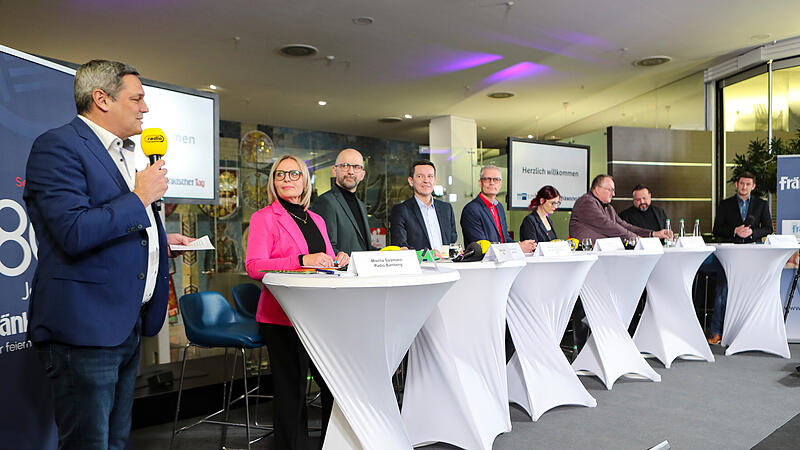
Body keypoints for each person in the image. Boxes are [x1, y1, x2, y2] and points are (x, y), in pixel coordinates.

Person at [23, 59, 194, 450]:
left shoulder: (127, 152)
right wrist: (139, 197)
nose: (145, 108)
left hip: (125, 322)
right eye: (136, 98)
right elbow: (73, 231)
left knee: (116, 440)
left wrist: (159, 242)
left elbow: (116, 225)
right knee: (88, 443)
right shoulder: (58, 146)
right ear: (101, 99)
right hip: (84, 326)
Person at [245, 154, 349, 449]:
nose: (286, 180)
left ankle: (334, 443)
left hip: (319, 316)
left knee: (334, 387)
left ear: (305, 180)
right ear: (273, 181)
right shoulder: (263, 218)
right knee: (291, 394)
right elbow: (255, 266)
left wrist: (338, 260)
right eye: (280, 175)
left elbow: (325, 260)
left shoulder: (316, 218)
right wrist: (303, 260)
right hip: (282, 317)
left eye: (293, 174)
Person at [707, 171, 773, 344]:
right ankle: (716, 332)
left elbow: (768, 228)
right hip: (730, 253)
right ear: (737, 184)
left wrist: (753, 232)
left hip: (753, 252)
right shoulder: (725, 204)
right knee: (722, 291)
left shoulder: (761, 204)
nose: (744, 187)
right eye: (741, 183)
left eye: (748, 184)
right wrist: (734, 231)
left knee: (753, 291)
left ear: (753, 186)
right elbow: (716, 230)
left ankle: (750, 331)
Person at [569, 174, 673, 242]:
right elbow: (607, 225)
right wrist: (635, 238)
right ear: (597, 189)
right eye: (610, 190)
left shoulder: (608, 208)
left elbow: (624, 226)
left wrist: (653, 234)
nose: (613, 194)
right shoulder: (586, 202)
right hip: (589, 255)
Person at [311, 148, 377, 253]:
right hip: (343, 269)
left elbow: (365, 249)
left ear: (362, 175)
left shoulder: (361, 205)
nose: (351, 171)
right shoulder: (326, 202)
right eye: (345, 166)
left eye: (356, 167)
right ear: (334, 171)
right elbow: (327, 248)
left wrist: (389, 253)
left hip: (362, 268)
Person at [460, 164, 536, 253]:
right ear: (480, 183)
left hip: (501, 261)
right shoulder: (471, 210)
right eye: (487, 179)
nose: (492, 182)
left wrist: (524, 247)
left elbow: (505, 239)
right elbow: (481, 245)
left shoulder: (499, 207)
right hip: (483, 264)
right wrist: (518, 248)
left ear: (500, 184)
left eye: (496, 179)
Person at [390, 160, 457, 254]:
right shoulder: (401, 210)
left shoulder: (446, 209)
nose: (426, 180)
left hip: (446, 265)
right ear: (411, 181)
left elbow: (452, 240)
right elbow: (400, 246)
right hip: (419, 267)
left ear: (434, 180)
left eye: (430, 176)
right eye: (420, 176)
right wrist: (426, 255)